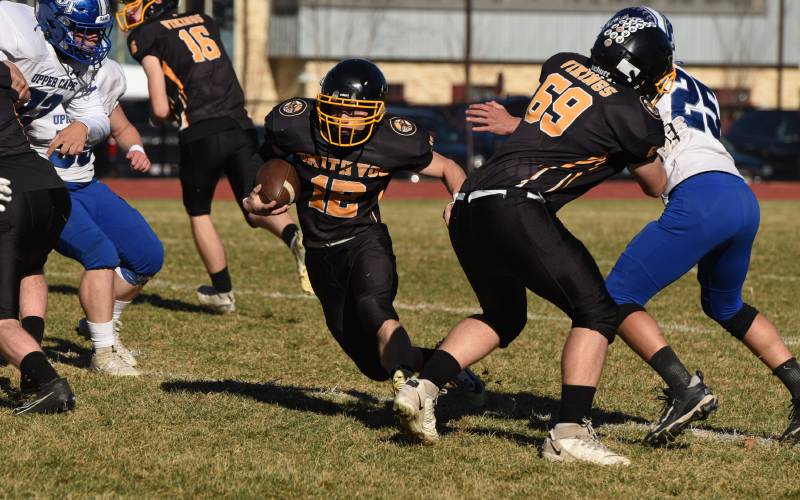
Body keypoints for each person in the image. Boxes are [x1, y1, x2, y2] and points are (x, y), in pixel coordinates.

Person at [467, 6, 800, 448]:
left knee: (615, 298)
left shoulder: (636, 83)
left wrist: (516, 125)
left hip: (697, 198)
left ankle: (685, 388)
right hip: (740, 196)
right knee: (726, 305)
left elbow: (585, 125)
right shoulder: (702, 90)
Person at [394, 17, 675, 465]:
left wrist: (514, 124)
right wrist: (659, 147)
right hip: (517, 205)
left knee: (503, 316)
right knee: (598, 312)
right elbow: (654, 184)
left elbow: (559, 126)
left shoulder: (563, 64)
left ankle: (422, 387)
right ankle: (568, 433)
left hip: (468, 201)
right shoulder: (633, 115)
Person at [242, 59, 485, 402]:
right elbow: (261, 162)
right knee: (373, 365)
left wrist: (462, 204)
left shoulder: (393, 139)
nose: (343, 119)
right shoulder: (295, 124)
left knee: (376, 308)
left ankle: (411, 393)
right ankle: (444, 365)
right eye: (336, 109)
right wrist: (254, 198)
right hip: (320, 253)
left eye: (354, 112)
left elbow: (447, 167)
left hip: (365, 240)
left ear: (376, 112)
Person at [116, 0, 311, 314]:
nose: (129, 8)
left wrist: (160, 117)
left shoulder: (149, 34)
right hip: (239, 125)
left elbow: (161, 108)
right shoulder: (203, 19)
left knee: (200, 213)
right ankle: (293, 236)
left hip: (200, 131)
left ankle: (222, 293)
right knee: (254, 202)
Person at [20, 57, 164, 377]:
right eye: (81, 31)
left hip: (87, 183)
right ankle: (103, 350)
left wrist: (135, 148)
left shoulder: (104, 72)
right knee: (101, 255)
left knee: (147, 256)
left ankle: (100, 321)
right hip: (45, 187)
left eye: (95, 32)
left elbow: (121, 126)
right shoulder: (32, 63)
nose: (89, 40)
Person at [0, 58, 75, 415]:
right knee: (30, 268)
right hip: (47, 183)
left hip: (8, 190)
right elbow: (20, 84)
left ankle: (47, 382)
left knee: (0, 318)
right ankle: (30, 371)